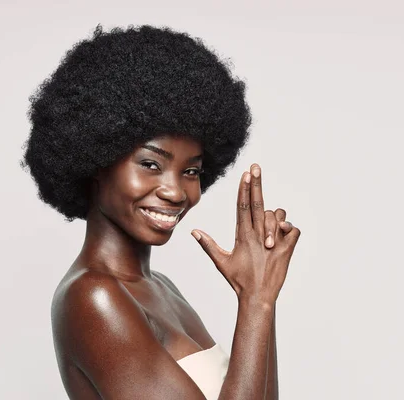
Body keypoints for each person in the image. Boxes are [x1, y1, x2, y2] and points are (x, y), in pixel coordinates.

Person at [21, 24, 301, 399]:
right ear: (96, 160)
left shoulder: (160, 288)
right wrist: (256, 302)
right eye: (151, 164)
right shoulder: (94, 297)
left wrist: (261, 297)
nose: (175, 191)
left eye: (191, 171)